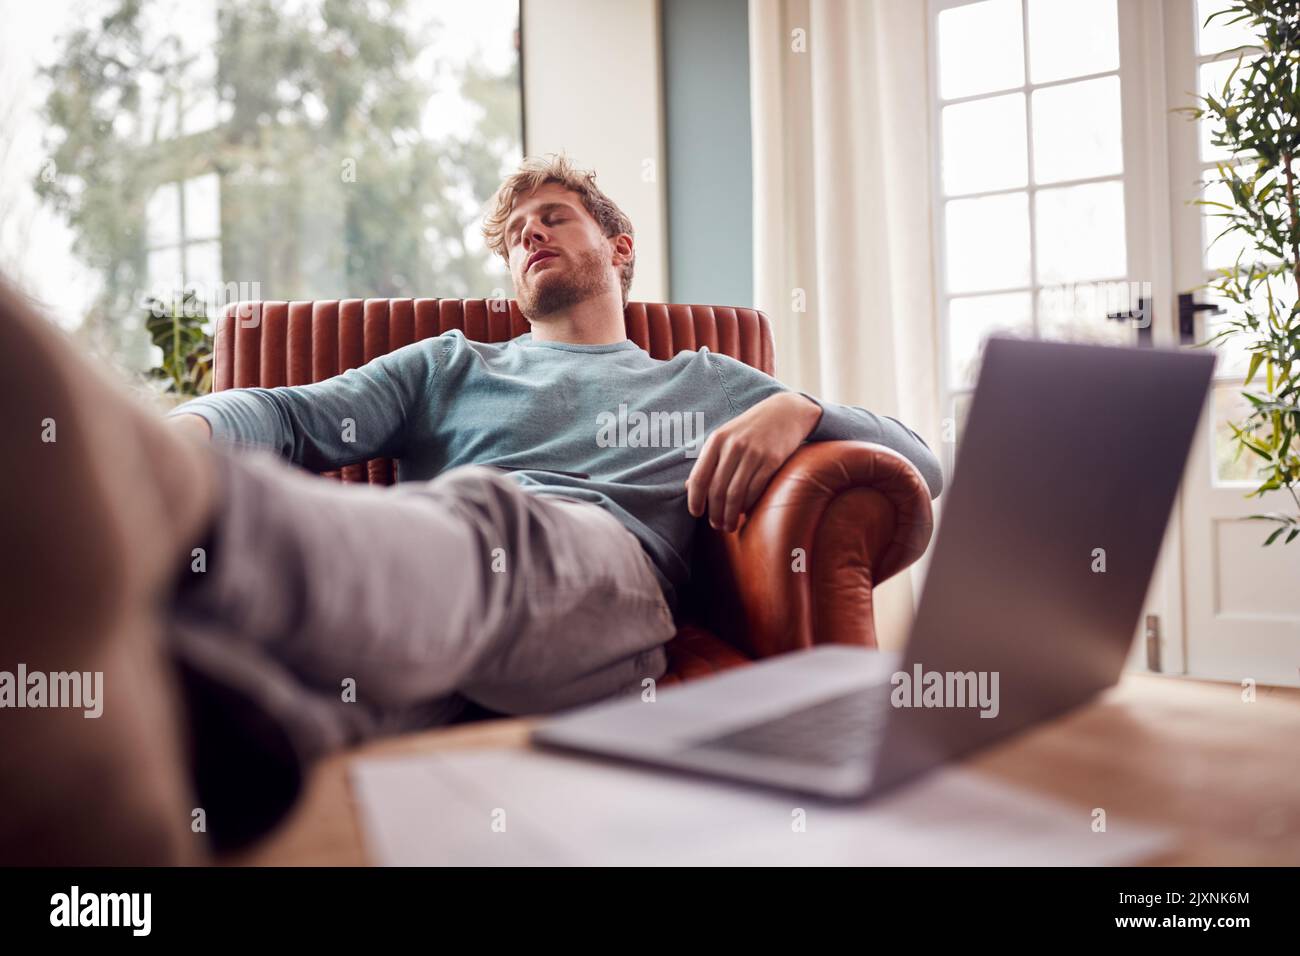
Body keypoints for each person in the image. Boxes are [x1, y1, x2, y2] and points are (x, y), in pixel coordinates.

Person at [0, 155, 942, 865]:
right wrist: (185, 435)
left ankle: (161, 503)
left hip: (601, 583)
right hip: (431, 607)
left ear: (617, 248)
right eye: (517, 232)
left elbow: (919, 462)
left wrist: (802, 408)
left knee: (497, 529)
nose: (529, 234)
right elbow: (290, 416)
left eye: (554, 217)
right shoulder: (452, 365)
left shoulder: (704, 380)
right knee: (298, 721)